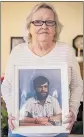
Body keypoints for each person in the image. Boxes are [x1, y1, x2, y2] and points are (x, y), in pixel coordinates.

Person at [1, 2, 83, 137]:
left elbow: (77, 85)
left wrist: (73, 111)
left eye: (50, 22)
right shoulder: (17, 52)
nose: (44, 26)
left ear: (56, 28)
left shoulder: (66, 51)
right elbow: (6, 86)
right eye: (38, 22)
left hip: (57, 133)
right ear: (29, 27)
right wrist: (12, 112)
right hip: (20, 133)